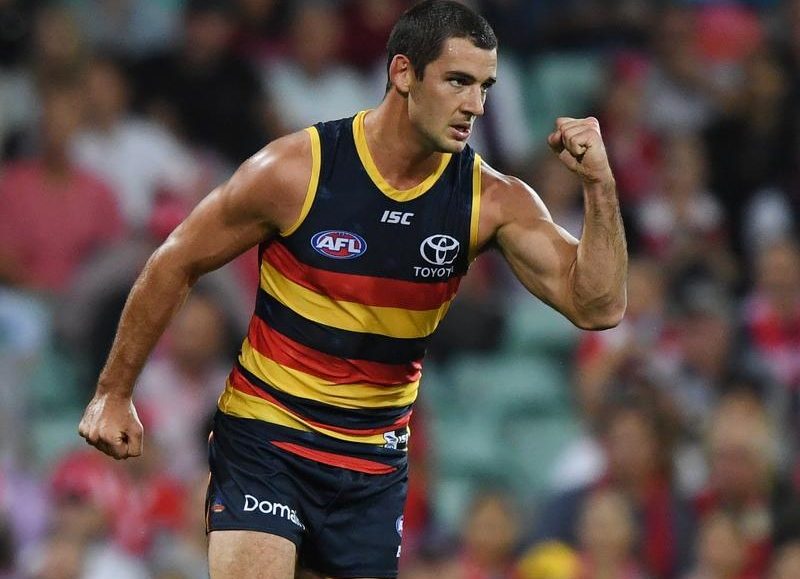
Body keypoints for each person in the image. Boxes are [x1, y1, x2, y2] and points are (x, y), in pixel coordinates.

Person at [78, 1, 628, 577]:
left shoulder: (490, 199)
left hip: (371, 469)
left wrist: (600, 185)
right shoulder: (297, 169)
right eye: (458, 81)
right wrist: (114, 392)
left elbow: (598, 306)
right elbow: (176, 260)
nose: (475, 105)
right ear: (403, 73)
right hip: (269, 437)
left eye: (484, 86)